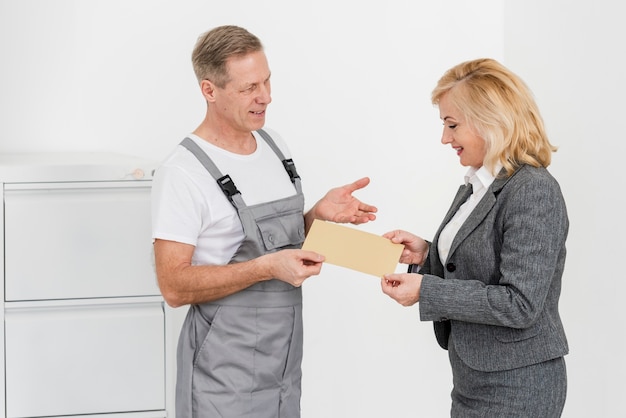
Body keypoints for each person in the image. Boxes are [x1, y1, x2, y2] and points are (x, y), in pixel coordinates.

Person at [151, 25, 377, 418]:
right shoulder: (183, 172)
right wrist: (264, 268)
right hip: (223, 372)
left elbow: (277, 246)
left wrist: (315, 217)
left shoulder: (274, 146)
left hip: (284, 365)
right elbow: (173, 286)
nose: (266, 97)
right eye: (249, 88)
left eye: (268, 81)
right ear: (209, 90)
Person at [381, 58, 569, 417]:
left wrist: (425, 290)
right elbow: (474, 262)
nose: (444, 137)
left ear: (491, 121)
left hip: (518, 385)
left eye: (452, 125)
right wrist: (425, 255)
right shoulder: (477, 185)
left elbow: (520, 303)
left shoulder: (533, 190)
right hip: (472, 378)